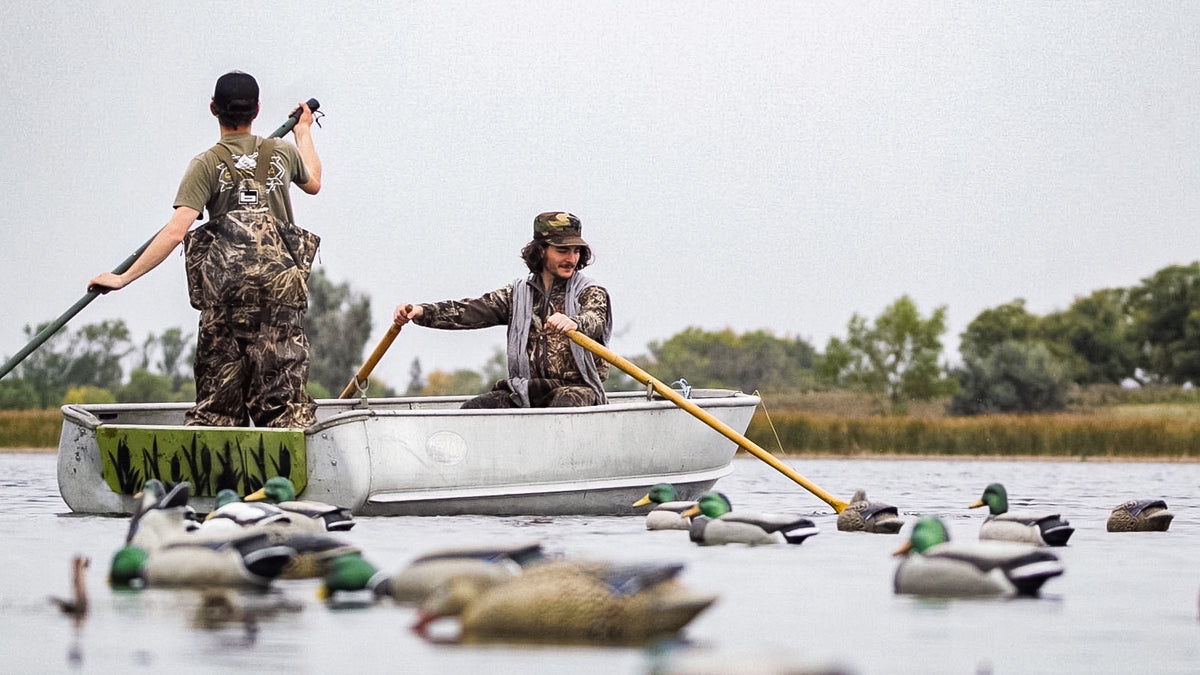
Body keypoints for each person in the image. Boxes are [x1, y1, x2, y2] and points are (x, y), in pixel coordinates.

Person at [87, 71, 322, 428]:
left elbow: (175, 233)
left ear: (213, 109)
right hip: (280, 303)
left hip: (224, 302)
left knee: (217, 413)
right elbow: (315, 182)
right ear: (257, 110)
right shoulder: (283, 153)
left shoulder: (205, 164)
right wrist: (303, 131)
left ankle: (214, 471)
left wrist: (123, 278)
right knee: (286, 412)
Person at [393, 212, 612, 408]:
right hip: (526, 389)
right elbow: (472, 310)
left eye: (576, 251)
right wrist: (421, 311)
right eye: (563, 250)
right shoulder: (517, 294)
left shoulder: (589, 291)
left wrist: (575, 322)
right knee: (474, 409)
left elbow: (596, 318)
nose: (571, 259)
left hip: (577, 388)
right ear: (541, 251)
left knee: (563, 406)